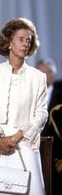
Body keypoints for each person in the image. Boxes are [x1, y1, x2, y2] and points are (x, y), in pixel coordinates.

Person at [0, 17, 48, 195]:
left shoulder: (38, 77)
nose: (25, 44)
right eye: (21, 39)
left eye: (29, 40)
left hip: (24, 141)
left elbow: (41, 113)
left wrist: (16, 137)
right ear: (9, 42)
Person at [35, 59, 62, 194]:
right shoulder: (26, 92)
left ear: (55, 74)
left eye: (49, 72)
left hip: (55, 155)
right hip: (31, 150)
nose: (45, 75)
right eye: (42, 71)